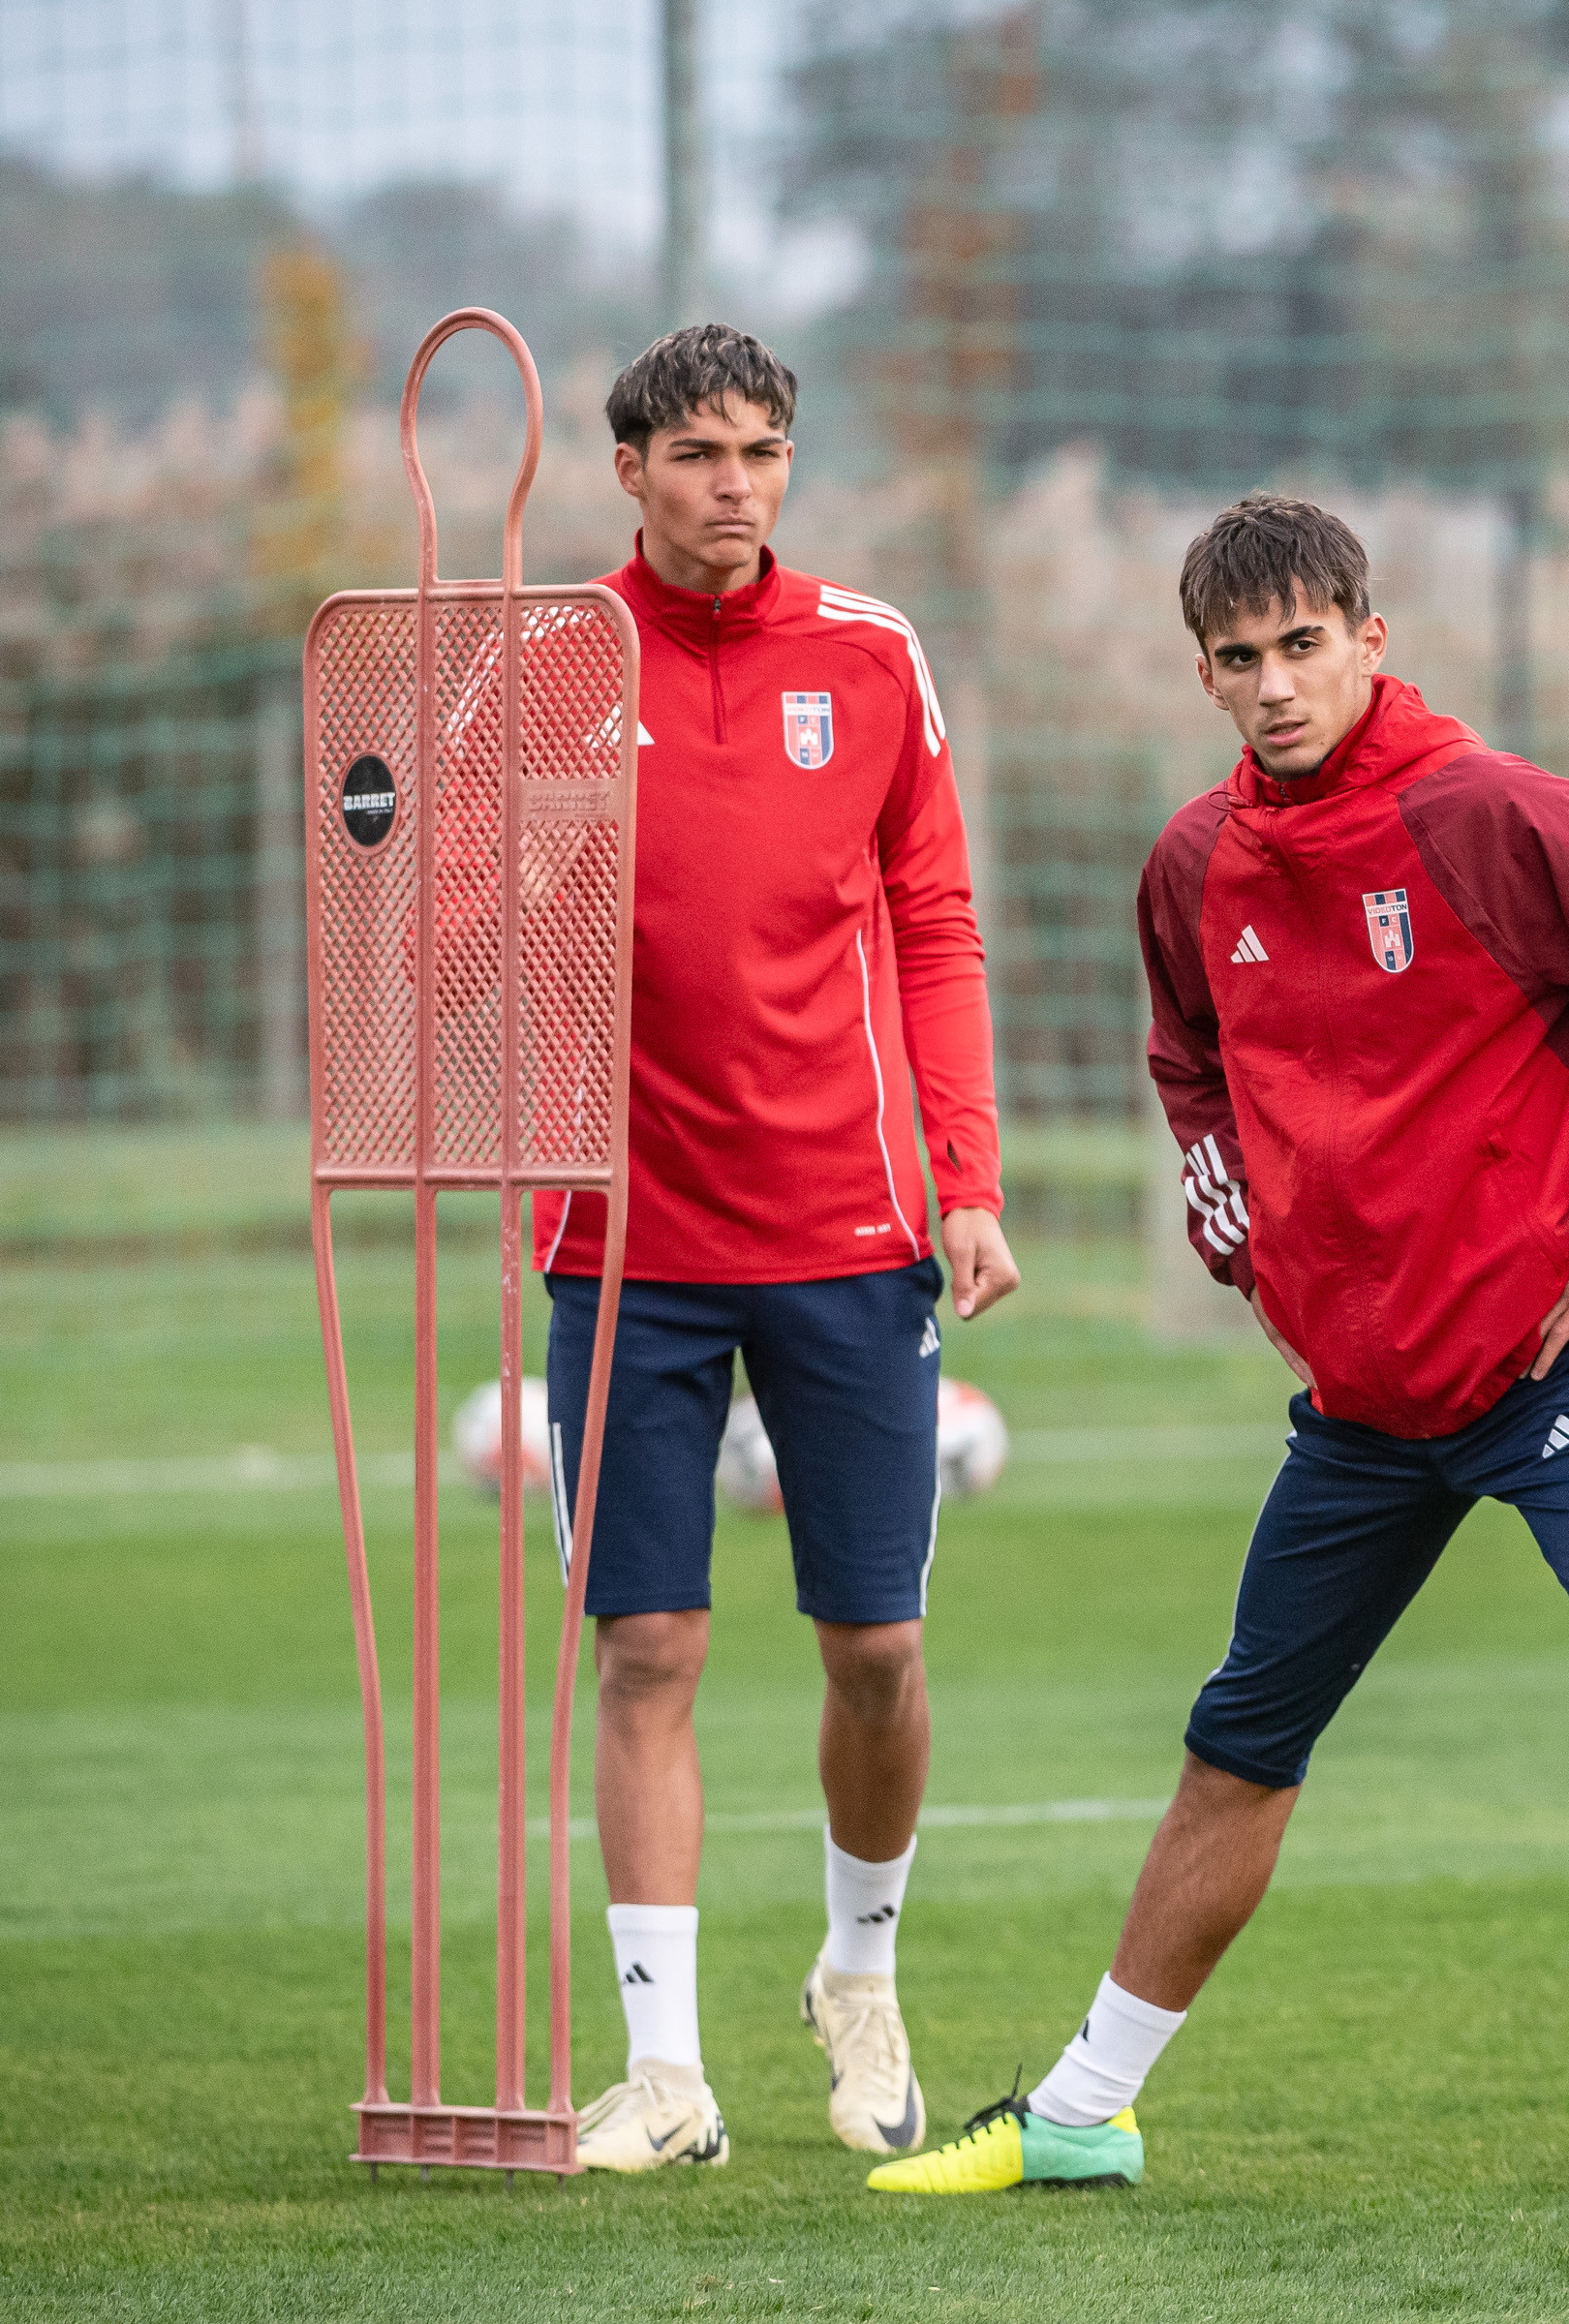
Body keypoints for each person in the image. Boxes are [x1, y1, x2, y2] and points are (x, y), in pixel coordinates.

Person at [867, 494, 1569, 2211]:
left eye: (1304, 645)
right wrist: (1244, 1236)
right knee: (1236, 1751)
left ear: (1370, 641)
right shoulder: (1194, 864)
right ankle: (1084, 2112)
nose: (1276, 685)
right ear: (1205, 676)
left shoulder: (1487, 814)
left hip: (1548, 1377)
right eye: (1239, 659)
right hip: (1361, 1411)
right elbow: (1188, 1064)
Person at [535, 326, 1020, 2173]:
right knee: (647, 1646)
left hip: (848, 1227)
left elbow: (938, 926)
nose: (733, 483)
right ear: (630, 472)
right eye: (697, 454)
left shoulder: (872, 654)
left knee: (876, 1648)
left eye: (762, 451)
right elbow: (456, 925)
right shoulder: (553, 664)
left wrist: (967, 1176)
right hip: (621, 1238)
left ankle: (857, 1974)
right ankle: (665, 2075)